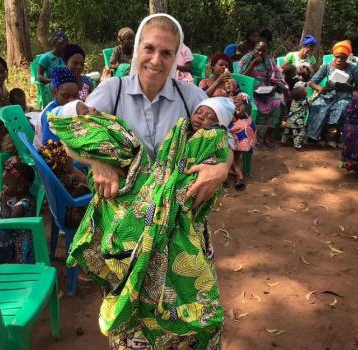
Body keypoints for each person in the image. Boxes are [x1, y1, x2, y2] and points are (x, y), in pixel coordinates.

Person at [66, 13, 230, 349]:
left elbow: (219, 140)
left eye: (166, 53)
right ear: (136, 49)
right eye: (149, 48)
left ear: (176, 58)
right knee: (131, 318)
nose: (156, 60)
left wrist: (222, 168)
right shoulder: (112, 91)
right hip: (127, 229)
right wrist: (98, 160)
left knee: (190, 316)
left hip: (179, 226)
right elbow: (73, 137)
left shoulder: (189, 98)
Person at [199, 53, 255, 190]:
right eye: (221, 65)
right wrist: (218, 82)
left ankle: (232, 164)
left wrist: (242, 105)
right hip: (214, 118)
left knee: (246, 125)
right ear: (213, 68)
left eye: (227, 66)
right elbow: (201, 98)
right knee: (222, 132)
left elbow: (241, 96)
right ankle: (236, 170)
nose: (225, 68)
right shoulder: (204, 82)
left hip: (233, 116)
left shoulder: (232, 82)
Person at [306, 40, 358, 148]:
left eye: (343, 57)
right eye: (337, 57)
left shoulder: (353, 69)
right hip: (327, 95)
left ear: (348, 57)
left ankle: (334, 138)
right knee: (318, 106)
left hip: (344, 97)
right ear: (333, 56)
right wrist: (320, 88)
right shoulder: (326, 66)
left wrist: (348, 86)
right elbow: (311, 82)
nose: (339, 60)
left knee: (342, 107)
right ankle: (318, 136)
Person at [238, 34, 288, 149]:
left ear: (267, 51)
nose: (260, 53)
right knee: (256, 105)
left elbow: (277, 75)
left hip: (266, 90)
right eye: (258, 50)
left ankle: (268, 136)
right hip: (250, 89)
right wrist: (253, 64)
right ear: (254, 49)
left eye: (263, 51)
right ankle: (257, 137)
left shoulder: (269, 61)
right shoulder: (246, 59)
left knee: (277, 102)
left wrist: (274, 87)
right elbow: (240, 78)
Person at [38, 140, 89, 228]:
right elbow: (85, 182)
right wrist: (73, 170)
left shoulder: (56, 175)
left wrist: (71, 168)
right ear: (64, 164)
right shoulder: (68, 179)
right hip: (74, 216)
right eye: (71, 160)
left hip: (59, 212)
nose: (72, 161)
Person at [33, 67, 80, 148]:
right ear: (55, 92)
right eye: (65, 96)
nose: (71, 101)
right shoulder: (50, 116)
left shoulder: (72, 108)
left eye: (75, 96)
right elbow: (51, 147)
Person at [281, 83, 310, 150]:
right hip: (298, 121)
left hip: (290, 119)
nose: (306, 91)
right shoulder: (303, 101)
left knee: (286, 132)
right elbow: (310, 102)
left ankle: (283, 142)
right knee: (298, 133)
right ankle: (297, 146)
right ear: (302, 95)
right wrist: (318, 95)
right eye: (305, 90)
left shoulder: (293, 100)